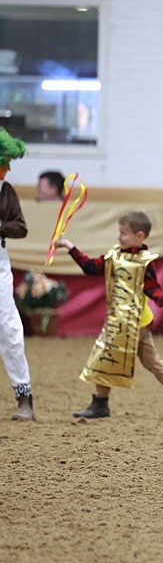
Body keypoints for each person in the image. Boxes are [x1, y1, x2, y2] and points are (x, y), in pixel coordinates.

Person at [55, 211, 163, 419]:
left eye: (123, 233)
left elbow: (152, 288)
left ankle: (101, 403)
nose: (119, 237)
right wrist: (71, 248)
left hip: (133, 323)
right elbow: (90, 267)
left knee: (107, 355)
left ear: (139, 236)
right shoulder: (115, 256)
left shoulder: (143, 262)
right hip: (120, 321)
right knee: (142, 360)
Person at [0, 130, 34, 421]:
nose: (8, 169)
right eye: (4, 163)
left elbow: (20, 227)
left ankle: (24, 397)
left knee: (9, 327)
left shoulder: (5, 191)